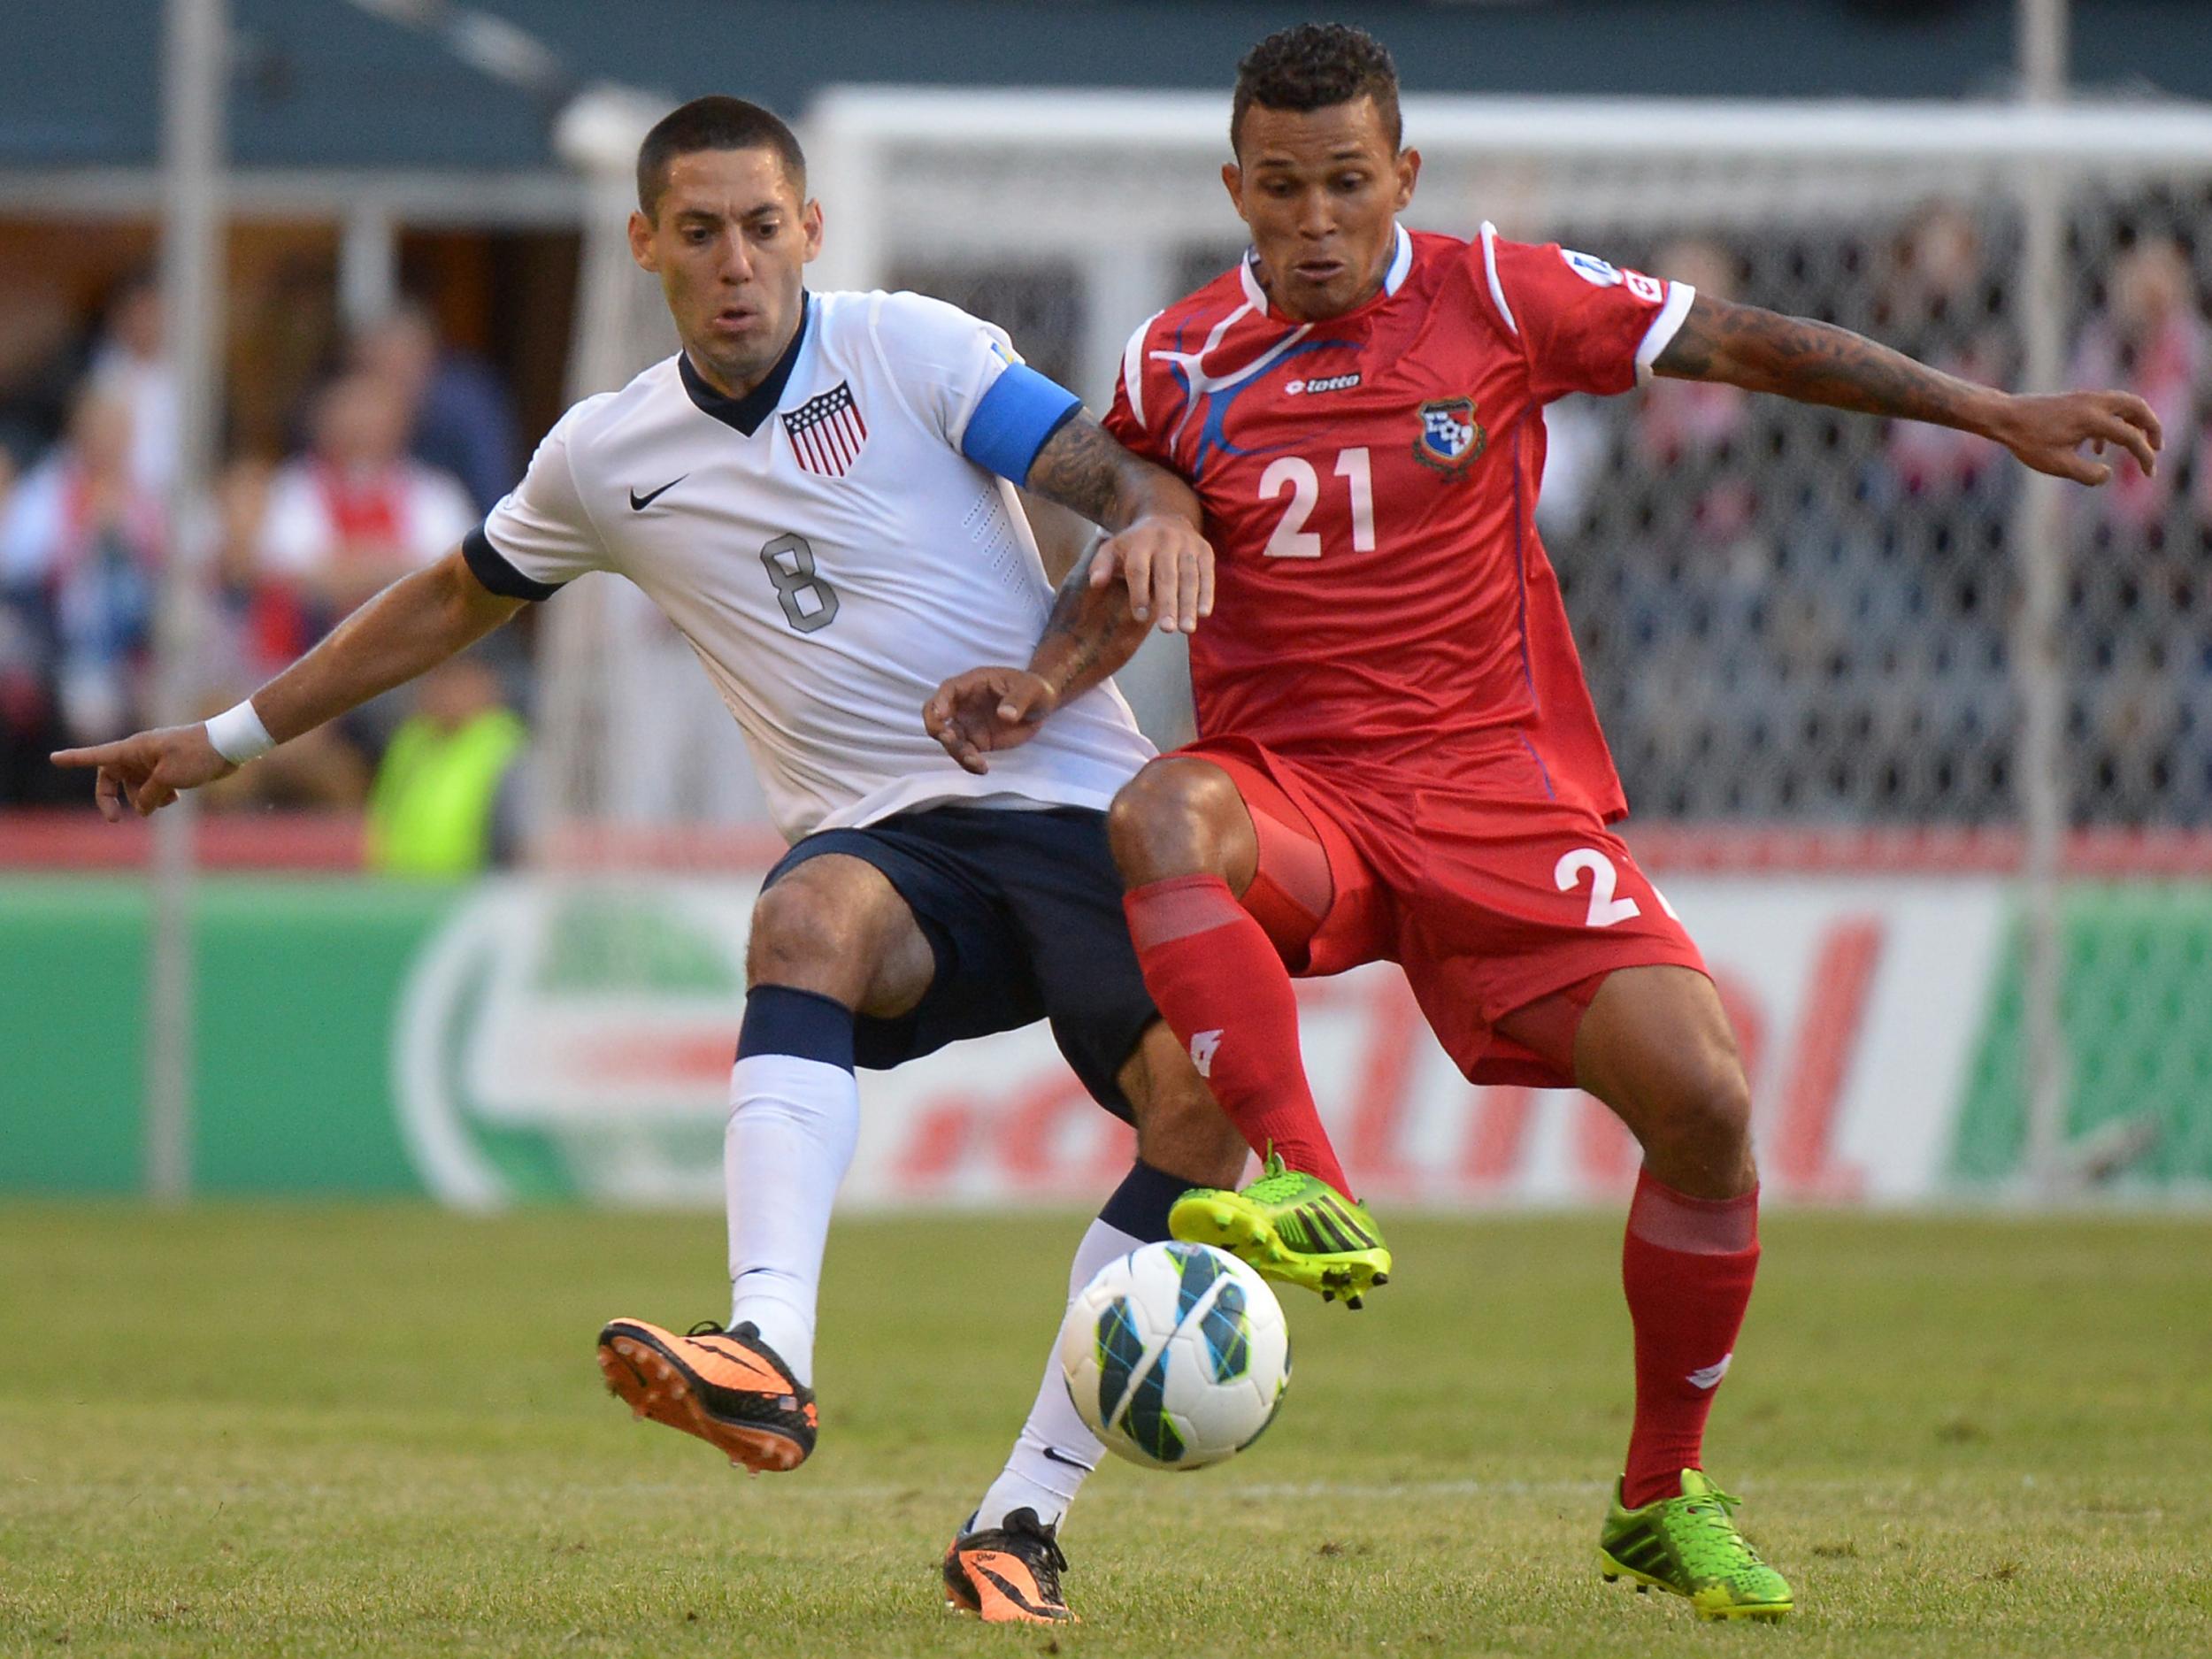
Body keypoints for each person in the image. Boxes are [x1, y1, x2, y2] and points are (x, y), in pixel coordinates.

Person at [926, 22, 2162, 1623]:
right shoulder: (1177, 363)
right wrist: (1041, 683)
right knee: (1162, 807)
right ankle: (1310, 1181)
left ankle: (1662, 1493)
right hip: (1301, 794)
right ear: (1236, 187)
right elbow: (1144, 572)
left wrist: (1989, 412)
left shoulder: (1500, 296)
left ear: (1404, 179)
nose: (1313, 222)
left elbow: (1743, 341)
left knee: (1708, 1105)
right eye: (1281, 190)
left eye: (1347, 187)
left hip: (1501, 796)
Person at [53, 95, 1244, 1627]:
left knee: (1196, 1114)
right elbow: (447, 601)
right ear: (647, 247)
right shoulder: (606, 456)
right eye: (701, 232)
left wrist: (1148, 533)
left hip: (1074, 810)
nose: (737, 260)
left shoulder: (918, 351)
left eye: (763, 225)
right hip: (890, 853)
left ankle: (1023, 1516)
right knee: (805, 915)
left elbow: (1125, 482)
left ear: (811, 228)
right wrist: (223, 737)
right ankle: (769, 1355)